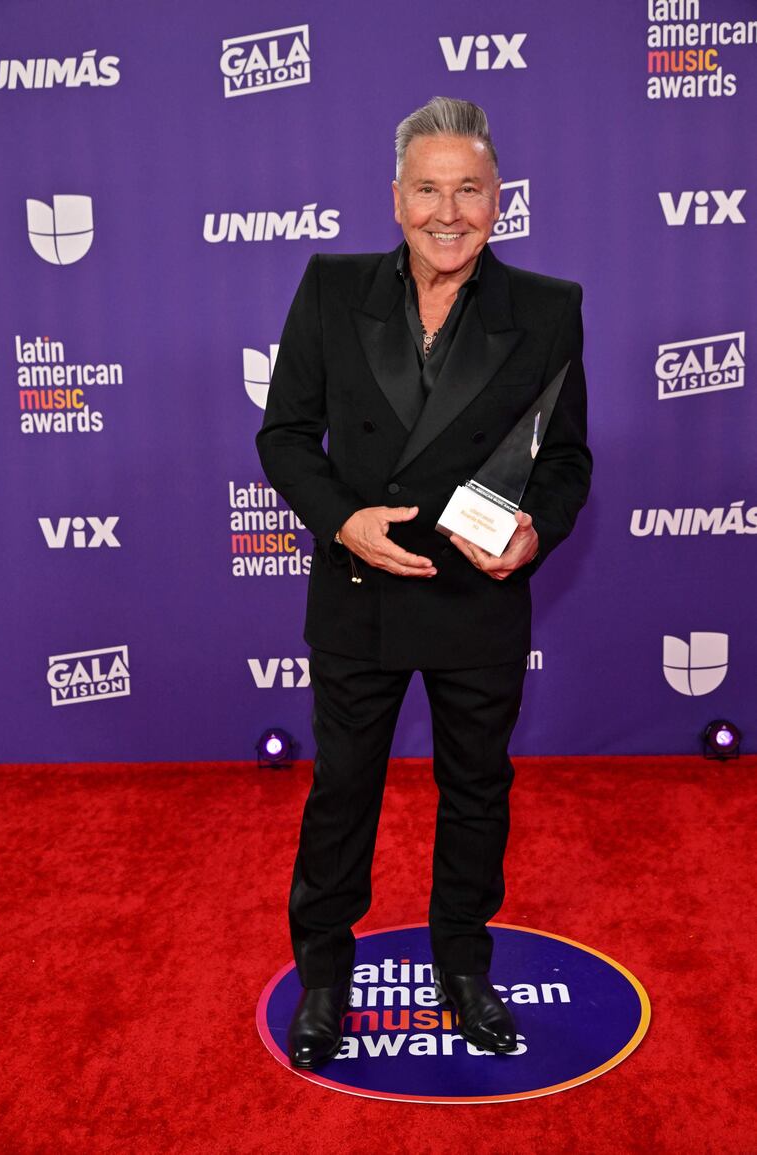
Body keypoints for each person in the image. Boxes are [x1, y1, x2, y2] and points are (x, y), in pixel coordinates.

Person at [256, 97, 592, 1069]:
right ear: (395, 198)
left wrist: (532, 534)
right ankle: (324, 973)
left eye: (469, 190)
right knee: (342, 790)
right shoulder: (329, 287)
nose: (448, 211)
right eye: (427, 189)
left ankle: (462, 967)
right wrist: (342, 520)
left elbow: (564, 462)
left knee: (476, 790)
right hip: (357, 595)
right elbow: (283, 435)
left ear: (498, 200)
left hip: (474, 597)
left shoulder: (546, 306)